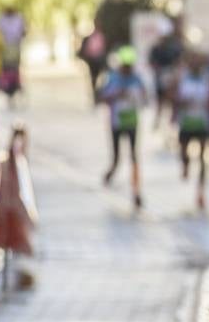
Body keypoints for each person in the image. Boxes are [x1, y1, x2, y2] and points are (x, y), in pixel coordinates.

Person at [99, 47, 148, 208]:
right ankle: (110, 173)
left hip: (132, 122)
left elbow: (145, 98)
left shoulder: (136, 79)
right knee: (117, 156)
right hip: (117, 122)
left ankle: (136, 190)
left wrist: (137, 96)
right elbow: (103, 97)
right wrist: (117, 94)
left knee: (134, 156)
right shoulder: (113, 78)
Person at [174, 52, 209, 210]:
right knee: (184, 153)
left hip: (203, 122)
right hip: (186, 122)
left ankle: (200, 192)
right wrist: (180, 104)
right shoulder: (181, 77)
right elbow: (174, 97)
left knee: (203, 158)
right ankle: (185, 165)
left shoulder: (208, 78)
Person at [148, 28, 184, 133]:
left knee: (172, 99)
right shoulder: (156, 49)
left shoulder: (172, 49)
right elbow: (152, 62)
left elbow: (178, 61)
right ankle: (158, 120)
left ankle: (172, 120)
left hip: (169, 78)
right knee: (160, 101)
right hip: (160, 78)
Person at [0, 6, 27, 106]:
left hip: (14, 50)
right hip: (5, 51)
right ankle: (8, 92)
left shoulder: (18, 18)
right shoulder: (2, 19)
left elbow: (23, 32)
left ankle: (14, 91)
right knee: (6, 72)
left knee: (14, 72)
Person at [78, 26, 109, 104]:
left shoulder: (101, 37)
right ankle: (96, 96)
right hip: (93, 62)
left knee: (101, 79)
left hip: (99, 61)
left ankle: (101, 95)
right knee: (94, 79)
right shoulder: (91, 37)